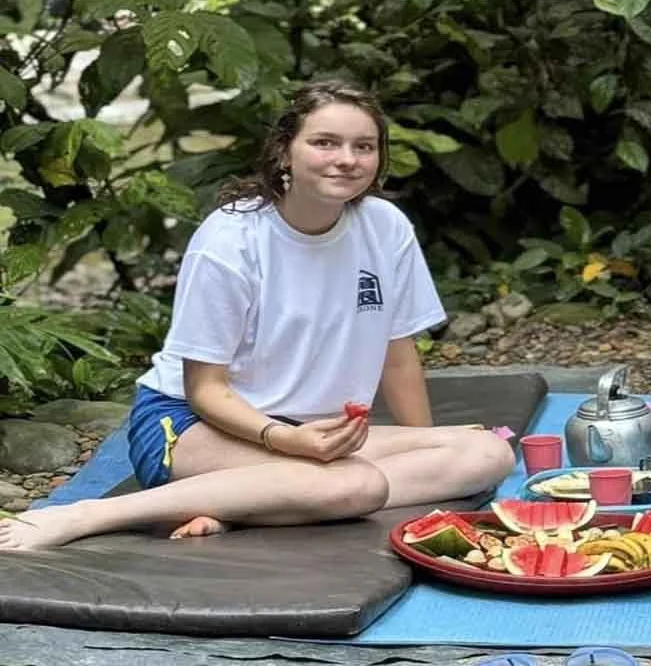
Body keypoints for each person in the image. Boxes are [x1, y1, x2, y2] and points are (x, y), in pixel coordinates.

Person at [0, 80, 515, 550]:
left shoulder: (386, 226)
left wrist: (419, 451)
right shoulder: (232, 238)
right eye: (325, 143)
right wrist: (284, 439)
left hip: (311, 430)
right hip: (193, 424)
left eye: (364, 146)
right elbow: (205, 389)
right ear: (284, 151)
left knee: (486, 453)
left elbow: (397, 354)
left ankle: (250, 503)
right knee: (356, 482)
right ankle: (93, 514)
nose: (346, 159)